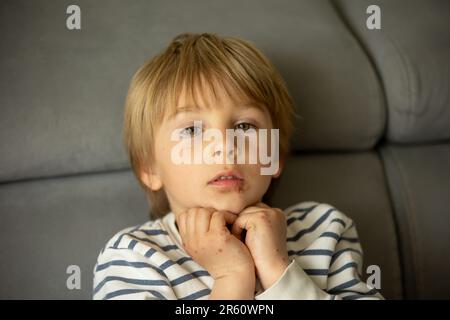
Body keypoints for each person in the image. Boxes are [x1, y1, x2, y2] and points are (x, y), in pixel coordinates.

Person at [93, 33, 383, 300]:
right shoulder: (134, 256)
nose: (225, 145)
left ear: (275, 157)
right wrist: (232, 277)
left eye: (245, 126)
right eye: (192, 130)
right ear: (149, 169)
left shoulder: (324, 228)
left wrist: (277, 268)